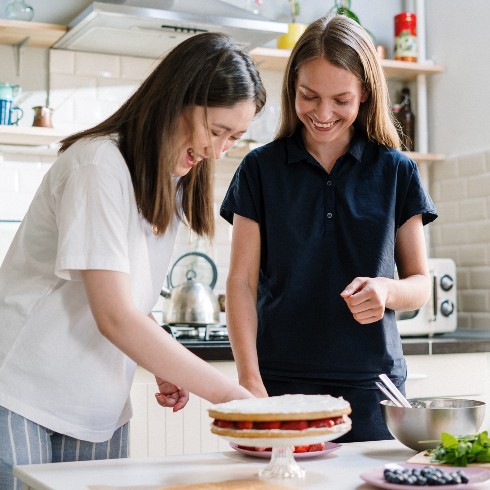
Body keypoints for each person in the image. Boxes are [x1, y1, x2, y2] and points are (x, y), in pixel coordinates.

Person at [0, 32, 265, 489]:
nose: (217, 151)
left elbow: (131, 300)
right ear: (177, 99)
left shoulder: (173, 183)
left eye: (234, 139)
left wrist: (163, 359)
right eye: (217, 131)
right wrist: (234, 398)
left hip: (98, 404)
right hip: (22, 391)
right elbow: (115, 317)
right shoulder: (98, 164)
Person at [220, 15, 437, 443]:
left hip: (374, 390)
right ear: (292, 91)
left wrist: (387, 291)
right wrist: (249, 378)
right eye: (309, 96)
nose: (322, 113)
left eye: (341, 99)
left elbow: (420, 284)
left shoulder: (397, 171)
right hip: (279, 384)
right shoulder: (259, 170)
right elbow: (240, 283)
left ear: (365, 95)